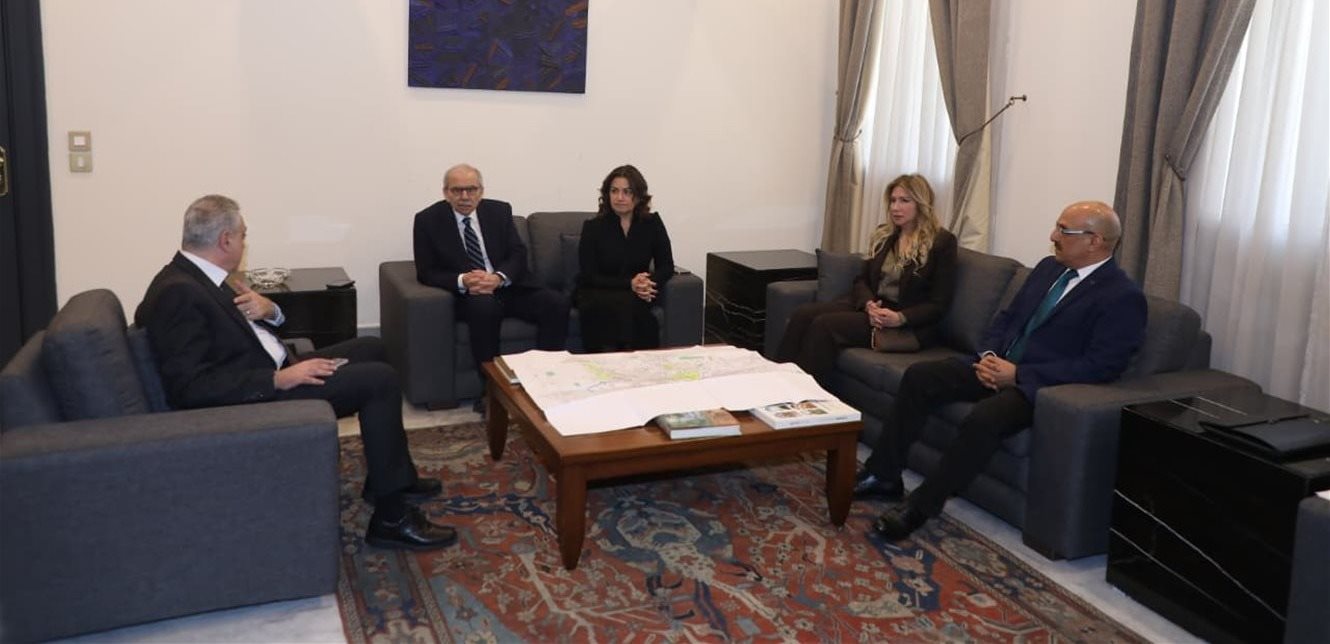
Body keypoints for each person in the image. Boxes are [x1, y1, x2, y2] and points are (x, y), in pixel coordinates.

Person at [136, 195, 457, 551]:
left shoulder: (201, 277)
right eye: (243, 235)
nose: (244, 243)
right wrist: (279, 379)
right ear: (225, 240)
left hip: (273, 369)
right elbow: (189, 387)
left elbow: (244, 335)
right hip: (259, 396)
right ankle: (391, 519)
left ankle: (391, 477)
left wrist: (270, 310)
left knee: (372, 348)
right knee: (378, 381)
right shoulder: (179, 294)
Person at [863, 200, 1147, 540]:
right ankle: (883, 475)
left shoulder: (1122, 296)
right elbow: (1008, 318)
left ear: (1094, 241)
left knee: (985, 417)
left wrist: (1018, 375)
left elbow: (1102, 366)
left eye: (1063, 230)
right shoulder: (1048, 268)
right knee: (920, 376)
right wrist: (989, 355)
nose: (1053, 236)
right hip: (996, 364)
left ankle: (920, 507)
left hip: (1040, 386)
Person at [413, 164, 570, 409]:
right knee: (484, 308)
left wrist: (498, 277)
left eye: (471, 189)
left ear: (481, 191)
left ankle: (546, 381)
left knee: (556, 303)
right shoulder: (427, 220)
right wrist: (463, 280)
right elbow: (427, 271)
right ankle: (491, 391)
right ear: (445, 193)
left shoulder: (499, 211)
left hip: (508, 286)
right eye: (457, 190)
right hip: (470, 295)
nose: (465, 196)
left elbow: (518, 253)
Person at [776, 173, 958, 382]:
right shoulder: (885, 235)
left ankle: (803, 393)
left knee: (825, 325)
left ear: (921, 203)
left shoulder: (942, 242)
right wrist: (868, 304)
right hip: (873, 308)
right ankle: (776, 381)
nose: (895, 207)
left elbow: (939, 304)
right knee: (803, 314)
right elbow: (861, 280)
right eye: (893, 201)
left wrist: (900, 318)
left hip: (904, 321)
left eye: (904, 201)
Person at [575, 164, 675, 352]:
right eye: (614, 191)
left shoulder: (652, 223)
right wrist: (630, 284)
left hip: (637, 293)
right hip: (599, 290)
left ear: (638, 196)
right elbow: (588, 276)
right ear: (607, 195)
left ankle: (644, 362)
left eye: (627, 192)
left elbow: (667, 266)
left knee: (634, 306)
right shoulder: (593, 227)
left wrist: (647, 283)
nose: (619, 197)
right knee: (628, 307)